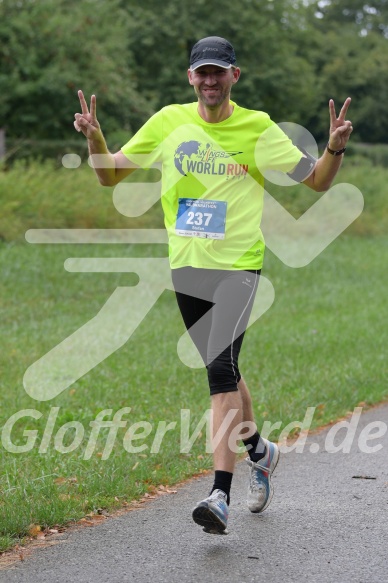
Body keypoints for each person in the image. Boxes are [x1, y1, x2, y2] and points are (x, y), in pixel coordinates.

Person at [74, 36, 353, 535]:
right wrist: (94, 136)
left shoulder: (257, 127)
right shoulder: (167, 122)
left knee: (219, 372)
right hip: (187, 266)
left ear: (234, 77)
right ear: (190, 78)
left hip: (240, 267)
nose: (209, 81)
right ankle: (260, 453)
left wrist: (333, 147)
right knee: (223, 368)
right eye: (201, 72)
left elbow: (316, 181)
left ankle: (218, 494)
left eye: (218, 72)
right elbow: (109, 175)